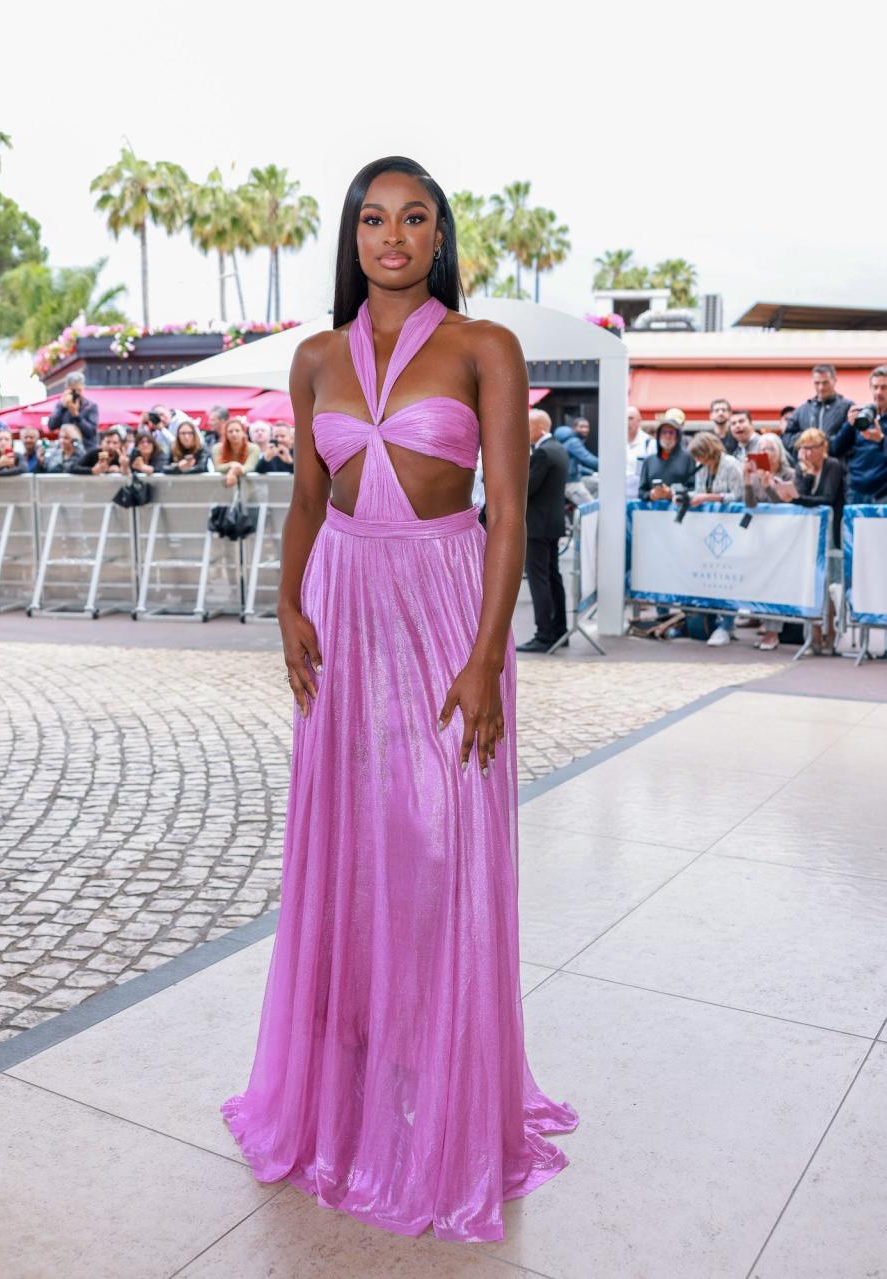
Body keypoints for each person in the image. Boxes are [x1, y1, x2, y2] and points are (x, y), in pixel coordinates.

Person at [219, 156, 578, 1244]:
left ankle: (449, 1094)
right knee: (352, 848)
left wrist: (486, 655)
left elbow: (508, 515)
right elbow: (306, 499)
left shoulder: (485, 349)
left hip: (442, 605)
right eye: (374, 218)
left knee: (441, 848)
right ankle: (352, 1096)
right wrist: (286, 603)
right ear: (353, 237)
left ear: (439, 237)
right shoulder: (315, 357)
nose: (392, 235)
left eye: (415, 217)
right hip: (341, 612)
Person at [769, 428, 846, 654]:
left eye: (811, 447)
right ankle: (813, 637)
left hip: (831, 532)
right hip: (808, 533)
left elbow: (827, 498)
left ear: (822, 448)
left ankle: (830, 635)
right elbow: (800, 496)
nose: (806, 452)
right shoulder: (801, 470)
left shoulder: (832, 465)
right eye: (803, 447)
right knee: (810, 583)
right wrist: (805, 479)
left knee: (828, 584)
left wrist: (799, 497)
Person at [516, 408, 571, 653]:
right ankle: (560, 628)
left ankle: (544, 634)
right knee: (553, 577)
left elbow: (527, 489)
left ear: (539, 428)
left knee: (539, 579)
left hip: (537, 527)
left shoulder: (542, 454)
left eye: (527, 427)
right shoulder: (559, 450)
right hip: (553, 524)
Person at [685, 433, 745, 647]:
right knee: (713, 577)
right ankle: (718, 620)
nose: (698, 461)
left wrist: (709, 498)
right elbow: (700, 491)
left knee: (728, 576)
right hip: (709, 527)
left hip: (731, 529)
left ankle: (727, 624)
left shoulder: (730, 464)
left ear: (708, 451)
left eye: (700, 456)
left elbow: (739, 496)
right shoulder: (702, 467)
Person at [743, 435, 796, 651]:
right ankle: (765, 624)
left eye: (770, 449)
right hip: (760, 538)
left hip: (785, 539)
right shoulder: (755, 474)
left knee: (777, 584)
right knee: (761, 583)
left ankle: (773, 632)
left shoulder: (790, 474)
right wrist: (747, 482)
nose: (765, 453)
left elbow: (785, 506)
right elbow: (749, 504)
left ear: (780, 452)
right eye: (761, 449)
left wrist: (769, 487)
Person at [828, 365, 887, 502]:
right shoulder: (863, 414)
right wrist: (849, 424)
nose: (878, 392)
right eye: (875, 387)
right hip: (856, 490)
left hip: (883, 491)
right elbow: (835, 449)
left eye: (884, 387)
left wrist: (881, 440)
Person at [782, 364, 853, 457]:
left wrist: (826, 441)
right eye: (817, 383)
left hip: (839, 467)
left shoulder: (847, 407)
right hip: (808, 468)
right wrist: (807, 439)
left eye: (825, 383)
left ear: (834, 381)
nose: (821, 387)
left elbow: (854, 439)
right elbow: (787, 438)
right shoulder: (803, 410)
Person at [639, 412, 695, 500]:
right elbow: (641, 492)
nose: (667, 436)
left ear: (677, 436)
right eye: (664, 432)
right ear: (658, 436)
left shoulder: (688, 458)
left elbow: (693, 488)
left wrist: (672, 493)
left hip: (680, 510)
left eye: (671, 432)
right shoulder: (649, 460)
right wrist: (651, 494)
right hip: (652, 511)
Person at [551, 412, 598, 503]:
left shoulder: (568, 440)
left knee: (598, 483)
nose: (585, 429)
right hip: (571, 482)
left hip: (568, 480)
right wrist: (607, 466)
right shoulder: (574, 442)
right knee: (592, 509)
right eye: (581, 427)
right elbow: (588, 458)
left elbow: (574, 465)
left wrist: (591, 472)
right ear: (574, 428)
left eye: (587, 427)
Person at [47, 372, 100, 450]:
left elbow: (91, 432)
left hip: (86, 451)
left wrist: (76, 415)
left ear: (83, 388)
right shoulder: (61, 405)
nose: (76, 394)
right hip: (67, 451)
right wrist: (62, 407)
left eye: (79, 390)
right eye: (73, 390)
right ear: (67, 389)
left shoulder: (90, 406)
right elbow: (51, 426)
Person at [211, 415, 261, 486]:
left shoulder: (254, 448)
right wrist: (232, 464)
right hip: (225, 486)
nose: (234, 434)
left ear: (243, 432)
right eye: (230, 431)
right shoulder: (217, 448)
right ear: (226, 434)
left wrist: (233, 471)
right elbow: (218, 468)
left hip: (250, 486)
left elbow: (250, 467)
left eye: (237, 431)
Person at [626, 406, 654, 497]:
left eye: (631, 418)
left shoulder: (649, 443)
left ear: (639, 421)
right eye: (625, 418)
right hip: (619, 495)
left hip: (640, 496)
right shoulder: (616, 443)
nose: (627, 422)